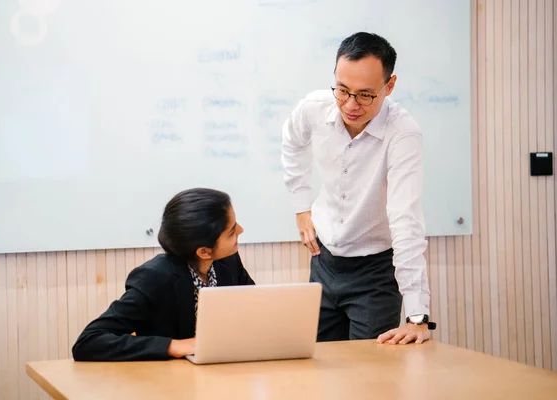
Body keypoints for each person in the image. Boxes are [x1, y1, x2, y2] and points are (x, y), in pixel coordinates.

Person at [281, 32, 435, 345]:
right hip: (323, 260)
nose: (351, 105)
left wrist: (417, 317)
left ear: (389, 86)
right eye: (343, 90)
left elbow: (405, 219)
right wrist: (301, 208)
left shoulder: (403, 134)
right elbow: (292, 143)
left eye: (365, 95)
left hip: (375, 273)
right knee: (320, 367)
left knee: (369, 374)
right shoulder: (314, 108)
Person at [72, 188, 254, 361]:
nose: (241, 230)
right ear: (204, 252)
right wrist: (172, 346)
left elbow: (254, 309)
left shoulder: (227, 261)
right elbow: (89, 342)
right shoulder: (154, 277)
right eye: (232, 231)